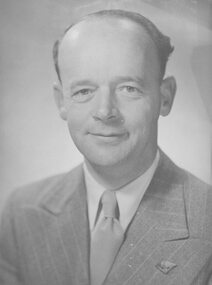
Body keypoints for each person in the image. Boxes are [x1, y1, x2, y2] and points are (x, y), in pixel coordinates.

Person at [0, 9, 212, 285]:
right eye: (84, 91)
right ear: (61, 102)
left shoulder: (206, 219)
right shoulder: (22, 212)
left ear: (165, 97)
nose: (105, 112)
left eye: (129, 88)